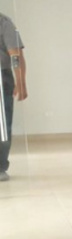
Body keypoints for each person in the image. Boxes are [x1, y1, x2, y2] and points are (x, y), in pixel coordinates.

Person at [0, 12, 27, 182]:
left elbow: (16, 55)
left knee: (2, 126)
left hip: (1, 78)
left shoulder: (4, 23)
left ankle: (0, 166)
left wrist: (21, 82)